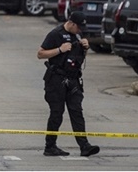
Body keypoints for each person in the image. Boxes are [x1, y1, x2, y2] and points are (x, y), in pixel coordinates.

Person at [37, 12, 100, 157]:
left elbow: (77, 59)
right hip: (56, 80)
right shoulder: (55, 34)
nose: (80, 31)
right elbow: (40, 54)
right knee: (57, 113)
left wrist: (85, 48)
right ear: (71, 23)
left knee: (77, 112)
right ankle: (50, 146)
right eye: (78, 27)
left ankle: (84, 146)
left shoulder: (77, 35)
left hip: (73, 80)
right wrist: (60, 50)